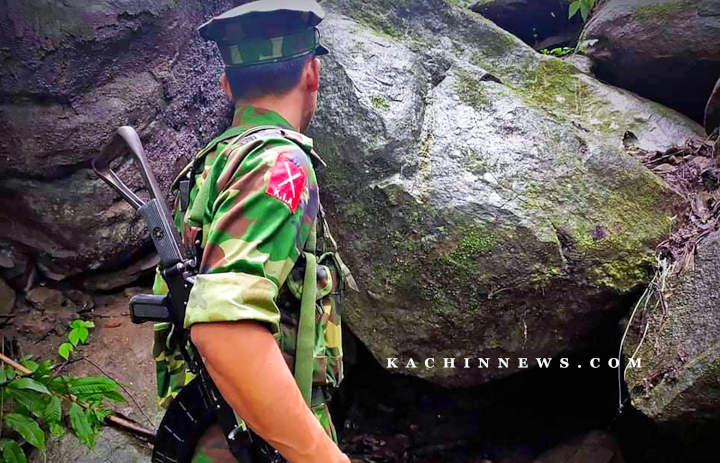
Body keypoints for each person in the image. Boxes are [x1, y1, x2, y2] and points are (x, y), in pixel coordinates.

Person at [151, 1, 356, 462]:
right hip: (252, 440)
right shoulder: (280, 164)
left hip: (226, 429)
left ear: (227, 85)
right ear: (313, 73)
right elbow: (225, 327)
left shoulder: (214, 164)